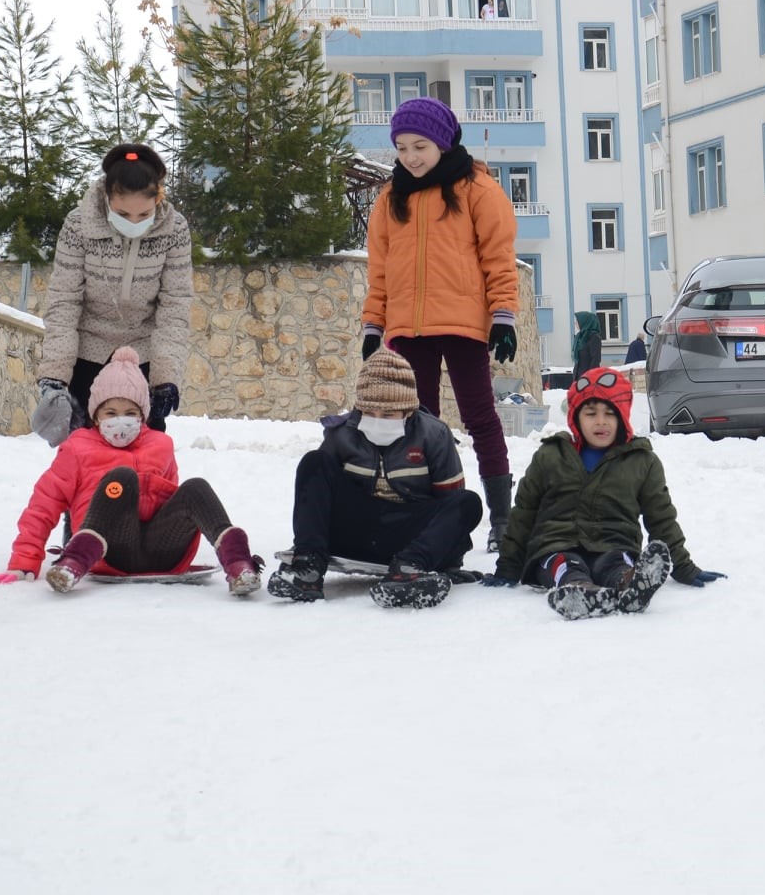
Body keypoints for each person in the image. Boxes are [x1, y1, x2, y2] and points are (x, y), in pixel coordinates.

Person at [360, 97, 520, 552]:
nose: (411, 157)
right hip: (409, 329)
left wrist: (503, 316)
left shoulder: (478, 190)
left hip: (465, 324)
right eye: (403, 147)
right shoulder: (391, 199)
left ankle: (502, 519)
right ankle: (426, 513)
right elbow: (381, 270)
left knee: (479, 416)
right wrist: (374, 324)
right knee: (420, 425)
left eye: (421, 146)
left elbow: (499, 260)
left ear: (443, 143)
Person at [0, 347, 261, 595]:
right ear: (96, 416)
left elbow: (172, 506)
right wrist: (24, 561)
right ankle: (73, 564)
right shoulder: (78, 448)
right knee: (122, 478)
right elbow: (43, 505)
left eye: (131, 413)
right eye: (111, 412)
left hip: (161, 548)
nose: (121, 420)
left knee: (195, 488)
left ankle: (239, 563)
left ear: (143, 416)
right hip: (107, 550)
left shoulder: (160, 445)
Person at [482, 369, 724, 619]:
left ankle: (630, 585)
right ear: (576, 417)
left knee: (617, 563)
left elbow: (661, 519)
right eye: (590, 413)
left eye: (610, 413)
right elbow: (523, 513)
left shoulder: (641, 461)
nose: (601, 421)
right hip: (556, 545)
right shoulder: (551, 456)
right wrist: (507, 569)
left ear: (623, 417)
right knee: (564, 563)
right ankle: (577, 590)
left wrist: (684, 567)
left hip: (615, 544)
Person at [267, 347, 484, 609]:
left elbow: (450, 508)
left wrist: (447, 560)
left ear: (408, 411)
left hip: (410, 535)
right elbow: (318, 496)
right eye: (370, 413)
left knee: (468, 502)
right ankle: (308, 568)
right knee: (313, 462)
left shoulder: (434, 435)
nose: (378, 420)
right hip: (355, 529)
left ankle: (408, 569)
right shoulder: (341, 434)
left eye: (388, 415)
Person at [34, 143, 193, 446]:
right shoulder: (79, 225)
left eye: (143, 214)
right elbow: (64, 301)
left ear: (158, 199)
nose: (133, 223)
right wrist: (55, 376)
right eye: (122, 213)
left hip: (142, 353)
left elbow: (175, 306)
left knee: (145, 453)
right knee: (83, 452)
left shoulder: (174, 230)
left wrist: (165, 378)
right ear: (106, 198)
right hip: (87, 352)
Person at [571, 310, 603, 377]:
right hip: (578, 377)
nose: (575, 323)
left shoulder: (594, 337)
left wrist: (589, 377)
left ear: (585, 322)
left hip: (588, 378)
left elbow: (595, 359)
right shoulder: (579, 337)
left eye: (578, 321)